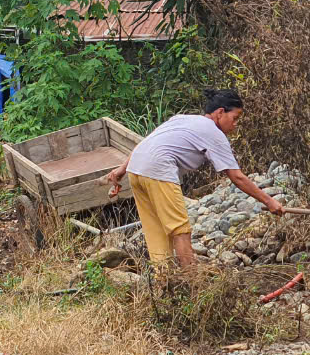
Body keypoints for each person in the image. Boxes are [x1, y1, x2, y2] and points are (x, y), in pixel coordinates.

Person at [104, 88, 284, 267]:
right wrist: (269, 201)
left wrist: (120, 170)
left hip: (136, 169)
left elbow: (146, 142)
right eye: (235, 118)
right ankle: (191, 279)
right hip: (159, 170)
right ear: (220, 112)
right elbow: (237, 177)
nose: (235, 124)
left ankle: (163, 279)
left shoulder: (182, 119)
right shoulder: (213, 133)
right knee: (180, 229)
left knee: (156, 231)